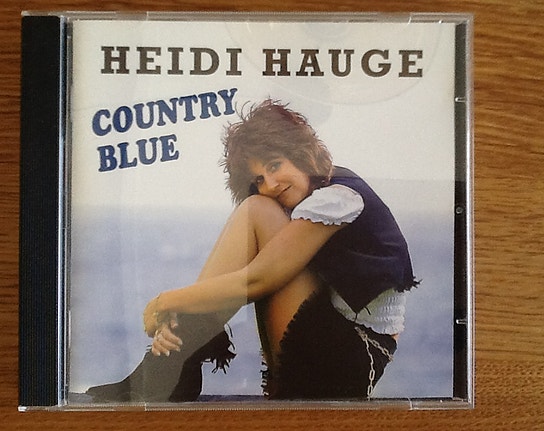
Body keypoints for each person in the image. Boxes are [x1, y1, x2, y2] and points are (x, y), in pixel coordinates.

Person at [87, 99, 418, 403]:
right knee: (256, 210)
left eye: (274, 165)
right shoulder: (310, 197)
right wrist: (182, 316)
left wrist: (165, 302)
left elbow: (258, 280)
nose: (269, 184)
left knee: (256, 211)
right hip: (331, 349)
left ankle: (171, 367)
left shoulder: (338, 198)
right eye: (258, 179)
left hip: (349, 362)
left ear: (300, 153)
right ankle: (173, 362)